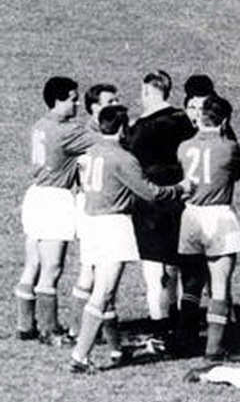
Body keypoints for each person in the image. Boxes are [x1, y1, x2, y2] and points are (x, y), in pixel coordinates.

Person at [70, 105, 192, 373]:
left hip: (90, 222)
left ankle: (116, 349)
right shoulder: (123, 158)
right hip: (114, 225)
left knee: (106, 294)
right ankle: (80, 356)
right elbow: (150, 193)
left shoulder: (89, 153)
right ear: (123, 129)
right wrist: (179, 189)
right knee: (104, 292)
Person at [15, 76, 96, 344]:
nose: (76, 104)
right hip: (55, 199)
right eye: (72, 99)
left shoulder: (40, 125)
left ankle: (25, 324)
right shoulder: (66, 131)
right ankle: (49, 329)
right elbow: (103, 140)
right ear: (58, 100)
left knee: (33, 264)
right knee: (53, 267)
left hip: (35, 195)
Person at [174, 95, 240, 359]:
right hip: (218, 216)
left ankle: (184, 341)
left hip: (190, 217)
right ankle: (214, 348)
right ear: (225, 120)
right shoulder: (229, 147)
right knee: (219, 286)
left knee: (191, 284)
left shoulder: (184, 147)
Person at [124, 70, 196, 350]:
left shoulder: (140, 128)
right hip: (181, 202)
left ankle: (159, 333)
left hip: (150, 207)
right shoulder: (183, 120)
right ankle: (181, 328)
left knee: (155, 273)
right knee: (176, 265)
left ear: (147, 92)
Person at [71, 83, 120, 340]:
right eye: (110, 102)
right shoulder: (90, 135)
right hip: (93, 206)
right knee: (91, 270)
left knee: (94, 270)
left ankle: (80, 329)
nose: (116, 105)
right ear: (95, 107)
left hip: (96, 205)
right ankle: (78, 330)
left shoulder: (98, 132)